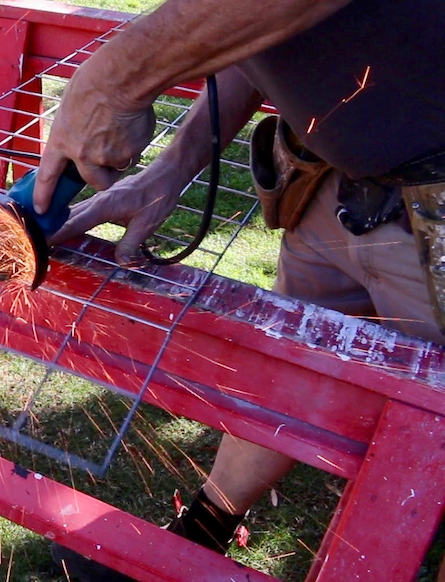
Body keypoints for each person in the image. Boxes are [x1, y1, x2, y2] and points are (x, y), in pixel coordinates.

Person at [34, 0, 445, 580]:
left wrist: (112, 79)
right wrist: (173, 167)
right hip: (335, 184)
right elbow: (260, 28)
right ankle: (202, 532)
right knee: (294, 373)